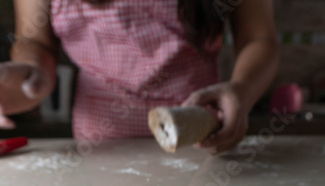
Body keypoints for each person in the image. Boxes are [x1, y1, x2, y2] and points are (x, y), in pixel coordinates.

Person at [0, 0, 279, 154]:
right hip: (99, 148)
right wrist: (30, 71)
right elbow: (35, 40)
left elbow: (259, 37)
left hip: (199, 136)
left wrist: (242, 89)